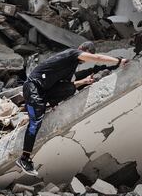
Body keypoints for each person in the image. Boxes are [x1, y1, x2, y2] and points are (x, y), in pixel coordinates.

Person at [16, 41, 128, 176]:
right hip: (32, 87)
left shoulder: (70, 66)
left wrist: (83, 82)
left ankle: (48, 104)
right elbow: (97, 58)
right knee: (35, 122)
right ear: (82, 49)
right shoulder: (72, 53)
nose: (84, 60)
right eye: (86, 56)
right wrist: (118, 61)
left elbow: (64, 85)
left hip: (44, 92)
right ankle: (24, 159)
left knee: (70, 88)